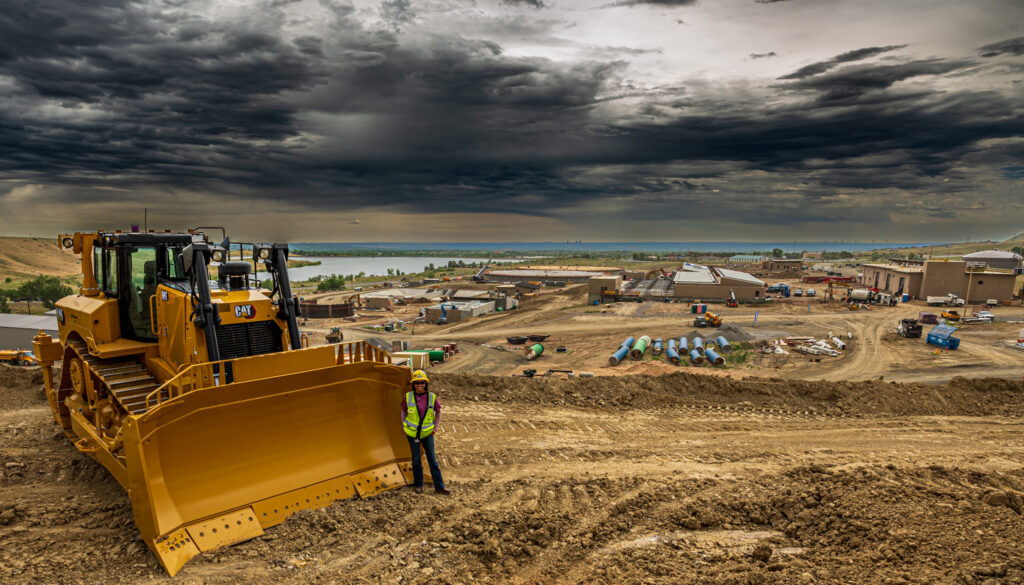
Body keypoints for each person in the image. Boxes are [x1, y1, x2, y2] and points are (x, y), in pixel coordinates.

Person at [401, 370, 450, 495]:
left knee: (432, 460)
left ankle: (439, 486)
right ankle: (419, 485)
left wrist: (435, 428)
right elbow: (403, 411)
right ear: (413, 385)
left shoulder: (432, 397)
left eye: (422, 383)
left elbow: (438, 412)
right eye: (417, 383)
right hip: (412, 434)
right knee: (416, 460)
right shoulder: (408, 397)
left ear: (425, 384)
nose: (419, 385)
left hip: (427, 434)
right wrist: (403, 426)